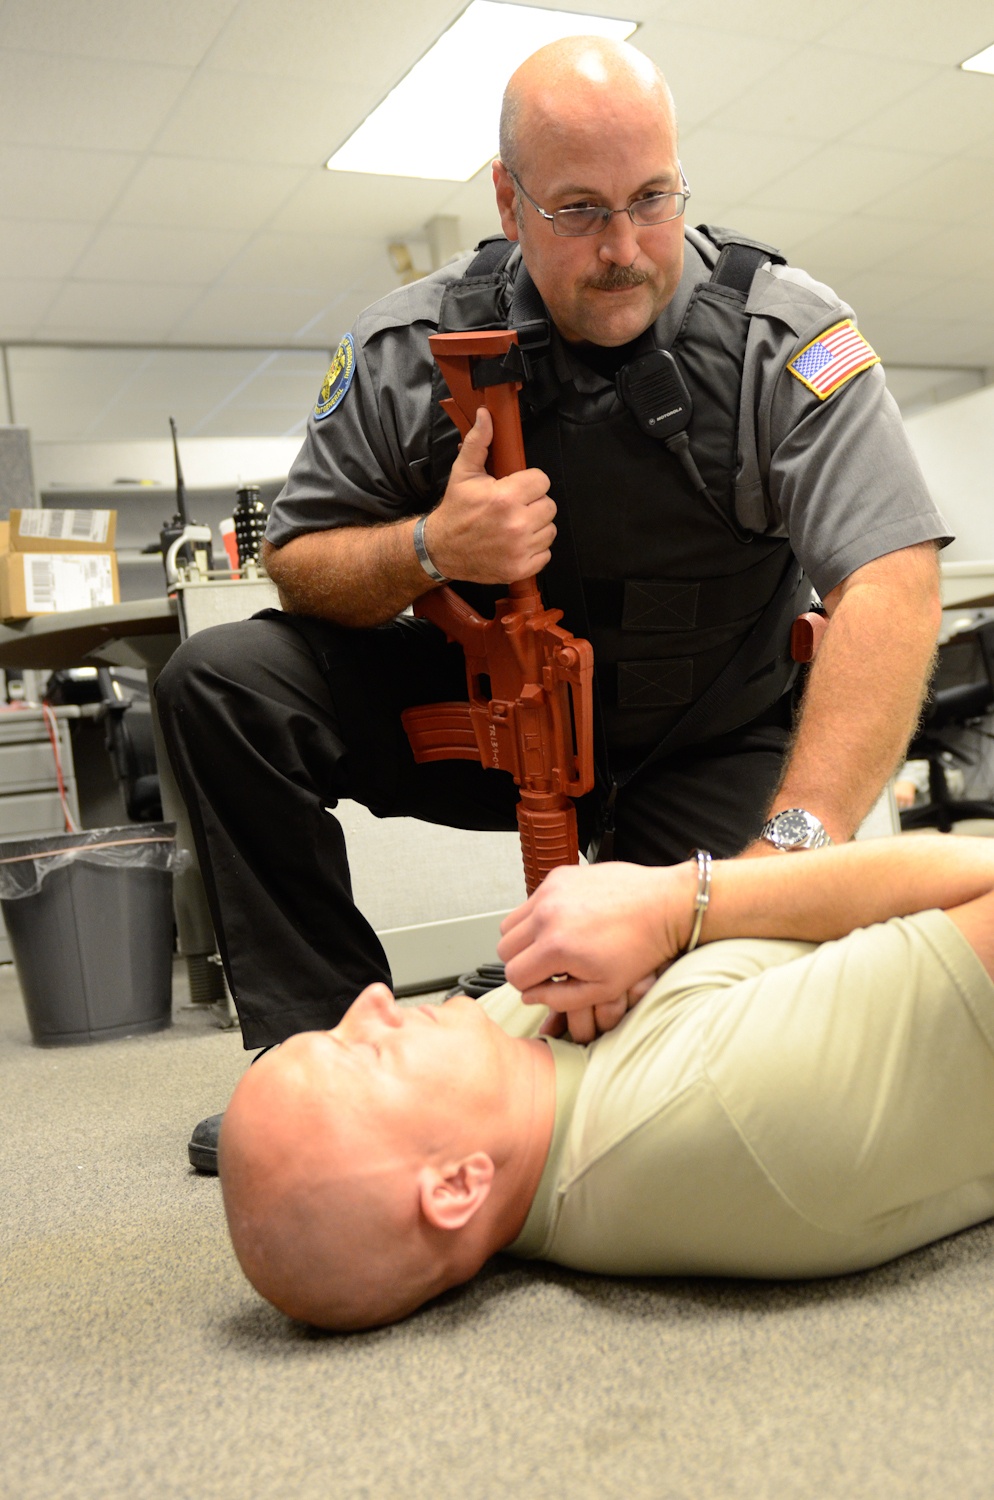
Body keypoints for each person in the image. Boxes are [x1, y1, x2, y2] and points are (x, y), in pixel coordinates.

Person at [156, 36, 948, 1057]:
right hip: (490, 715)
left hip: (704, 731)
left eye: (653, 199)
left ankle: (525, 982)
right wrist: (430, 548)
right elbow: (302, 560)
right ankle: (321, 1059)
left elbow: (891, 580)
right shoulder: (411, 348)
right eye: (578, 210)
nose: (623, 246)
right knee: (223, 682)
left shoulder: (780, 339)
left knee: (704, 1044)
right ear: (507, 200)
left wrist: (786, 858)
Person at [219, 833, 994, 1331]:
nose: (374, 1000)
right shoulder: (724, 1097)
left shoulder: (506, 1069)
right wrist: (680, 904)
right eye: (367, 1054)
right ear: (456, 1187)